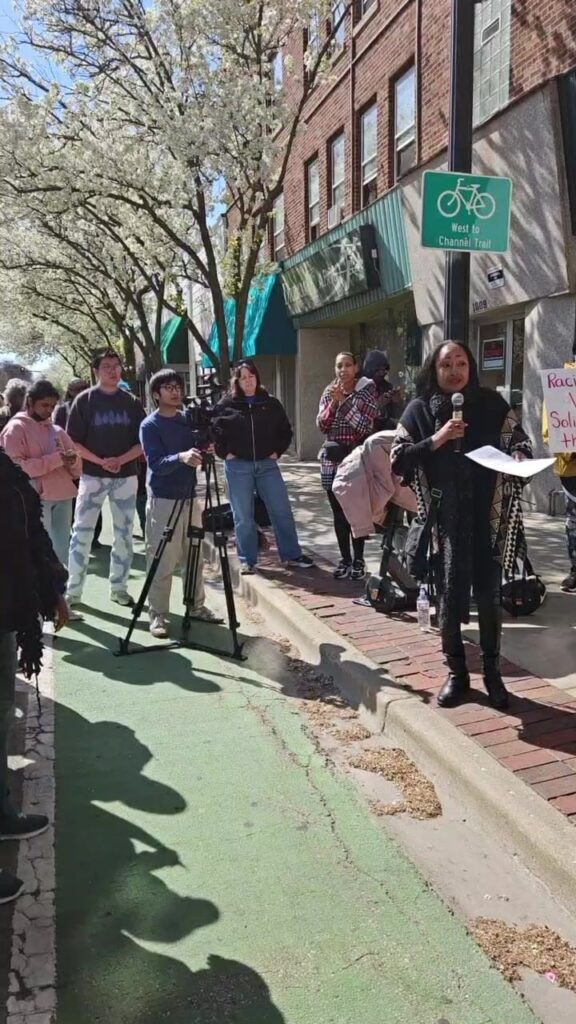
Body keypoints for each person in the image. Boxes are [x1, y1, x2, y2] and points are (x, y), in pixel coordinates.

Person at [391, 340, 532, 710]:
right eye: (446, 365)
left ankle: (493, 674)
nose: (454, 371)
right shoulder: (419, 410)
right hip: (444, 522)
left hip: (487, 516)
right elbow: (398, 460)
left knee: (489, 597)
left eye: (460, 363)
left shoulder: (491, 404)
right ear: (433, 371)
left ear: (470, 367)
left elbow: (519, 440)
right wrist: (439, 438)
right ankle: (457, 673)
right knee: (449, 600)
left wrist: (518, 453)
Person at [0, 449, 69, 903]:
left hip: (6, 610)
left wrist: (51, 589)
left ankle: (1, 812)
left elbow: (26, 530)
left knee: (2, 716)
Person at [211, 360, 314, 575]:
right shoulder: (226, 405)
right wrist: (225, 453)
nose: (248, 381)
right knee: (243, 516)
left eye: (251, 376)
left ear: (257, 378)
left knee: (281, 510)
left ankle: (292, 554)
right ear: (236, 381)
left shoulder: (270, 403)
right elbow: (214, 432)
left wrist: (278, 450)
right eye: (243, 378)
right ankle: (248, 559)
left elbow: (285, 430)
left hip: (267, 465)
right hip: (238, 466)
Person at [140, 369, 221, 638]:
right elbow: (156, 464)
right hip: (163, 500)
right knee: (162, 559)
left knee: (195, 557)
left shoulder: (188, 420)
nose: (175, 392)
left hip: (190, 497)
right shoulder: (150, 425)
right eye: (168, 387)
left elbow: (202, 448)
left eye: (178, 386)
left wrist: (206, 450)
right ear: (156, 394)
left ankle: (196, 606)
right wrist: (182, 457)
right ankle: (158, 615)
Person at [66, 349, 145, 607]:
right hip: (92, 476)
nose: (113, 370)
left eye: (116, 365)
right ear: (96, 371)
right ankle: (73, 592)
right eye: (107, 366)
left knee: (124, 534)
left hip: (126, 477)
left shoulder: (132, 402)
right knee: (81, 533)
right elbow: (74, 441)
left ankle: (119, 588)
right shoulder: (84, 401)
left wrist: (120, 460)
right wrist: (101, 461)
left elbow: (142, 442)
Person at [0, 379, 80, 568]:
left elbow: (76, 463)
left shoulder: (57, 430)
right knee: (40, 546)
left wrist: (72, 461)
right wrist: (57, 460)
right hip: (33, 496)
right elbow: (15, 467)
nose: (49, 410)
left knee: (61, 545)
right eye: (44, 405)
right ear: (30, 402)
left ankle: (61, 589)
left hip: (63, 494)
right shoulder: (15, 429)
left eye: (52, 406)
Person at [317, 351, 378, 580]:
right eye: (338, 365)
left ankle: (359, 561)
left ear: (356, 368)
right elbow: (322, 424)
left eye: (347, 365)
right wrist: (334, 401)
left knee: (355, 511)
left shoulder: (366, 391)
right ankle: (345, 559)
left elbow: (364, 426)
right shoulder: (328, 391)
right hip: (331, 459)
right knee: (338, 512)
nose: (343, 370)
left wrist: (344, 403)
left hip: (354, 458)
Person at [363, 350, 403, 431]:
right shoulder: (361, 386)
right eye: (377, 370)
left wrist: (398, 403)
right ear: (369, 370)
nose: (382, 373)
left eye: (384, 370)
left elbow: (398, 415)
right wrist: (376, 405)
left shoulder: (387, 386)